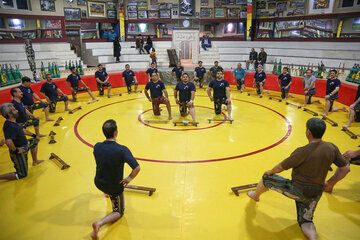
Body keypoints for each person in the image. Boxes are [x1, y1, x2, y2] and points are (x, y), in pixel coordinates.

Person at [247, 118, 350, 240]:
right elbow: (345, 168)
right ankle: (313, 238)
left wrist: (270, 172)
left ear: (308, 132)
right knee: (306, 220)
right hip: (316, 194)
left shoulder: (302, 151)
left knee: (266, 178)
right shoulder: (331, 147)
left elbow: (280, 167)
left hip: (297, 190)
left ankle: (255, 195)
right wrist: (329, 183)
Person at [91, 119, 140, 240]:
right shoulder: (122, 149)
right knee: (119, 212)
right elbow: (137, 168)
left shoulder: (97, 146)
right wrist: (128, 179)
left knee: (106, 175)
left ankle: (106, 194)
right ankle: (100, 224)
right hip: (113, 186)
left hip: (98, 182)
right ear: (116, 133)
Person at [0, 103, 44, 181]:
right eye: (14, 110)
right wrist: (17, 150)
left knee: (34, 142)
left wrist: (34, 136)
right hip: (19, 151)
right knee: (22, 175)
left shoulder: (13, 122)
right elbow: (8, 142)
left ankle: (35, 161)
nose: (17, 110)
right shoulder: (9, 126)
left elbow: (23, 130)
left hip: (25, 145)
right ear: (10, 114)